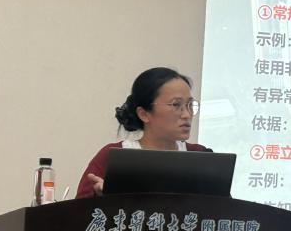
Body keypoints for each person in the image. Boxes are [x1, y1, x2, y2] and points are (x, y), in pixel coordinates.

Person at [75, 67, 211, 199]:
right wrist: (102, 199)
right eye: (176, 105)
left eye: (190, 105)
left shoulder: (202, 156)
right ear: (144, 114)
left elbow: (220, 209)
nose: (187, 115)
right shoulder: (113, 156)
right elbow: (77, 211)